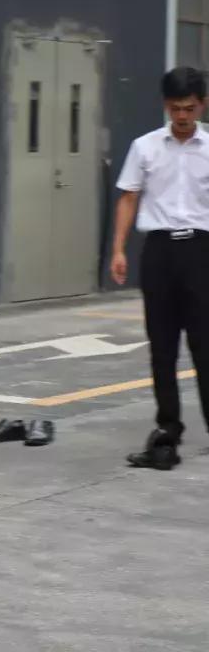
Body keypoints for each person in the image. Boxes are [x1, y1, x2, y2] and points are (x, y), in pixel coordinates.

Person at [112, 67, 209, 471]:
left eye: (189, 108)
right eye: (175, 108)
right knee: (162, 347)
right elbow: (128, 198)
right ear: (165, 105)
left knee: (205, 345)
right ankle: (168, 429)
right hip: (160, 251)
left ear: (202, 105)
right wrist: (118, 249)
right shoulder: (145, 147)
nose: (182, 116)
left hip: (202, 251)